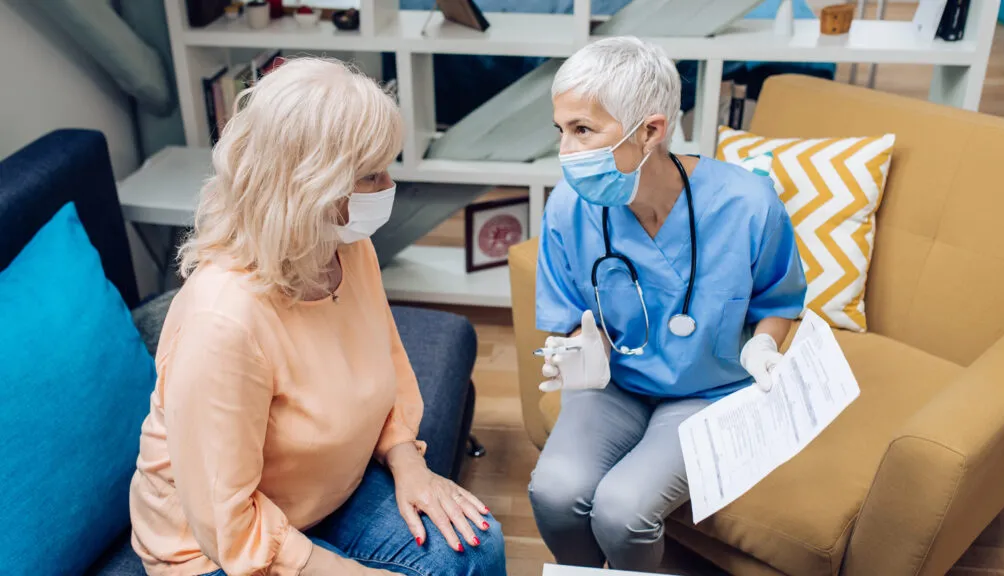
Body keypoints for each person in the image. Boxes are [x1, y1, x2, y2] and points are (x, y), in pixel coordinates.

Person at [128, 57, 505, 576]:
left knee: (478, 547)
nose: (391, 184)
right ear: (312, 189)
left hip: (323, 498)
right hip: (217, 550)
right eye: (373, 174)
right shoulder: (224, 321)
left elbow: (387, 363)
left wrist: (407, 460)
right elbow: (228, 526)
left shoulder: (348, 249)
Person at [529, 37, 807, 571]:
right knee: (555, 493)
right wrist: (572, 354)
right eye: (561, 130)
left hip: (710, 391)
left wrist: (764, 346)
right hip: (613, 386)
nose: (565, 151)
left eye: (583, 130)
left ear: (651, 131)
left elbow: (780, 298)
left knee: (622, 510)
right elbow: (567, 317)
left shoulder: (748, 204)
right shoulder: (569, 208)